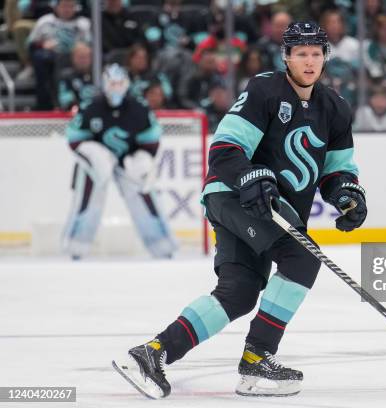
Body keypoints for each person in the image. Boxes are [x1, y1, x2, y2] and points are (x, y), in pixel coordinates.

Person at [112, 21, 367, 399]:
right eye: (301, 54)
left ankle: (154, 353)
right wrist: (253, 177)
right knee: (302, 258)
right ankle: (257, 358)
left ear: (325, 57)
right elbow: (225, 148)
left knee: (240, 293)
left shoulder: (336, 108)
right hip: (233, 196)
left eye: (316, 54)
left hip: (267, 209)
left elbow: (337, 170)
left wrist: (347, 195)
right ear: (286, 57)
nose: (309, 62)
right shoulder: (265, 89)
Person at [62, 64, 177, 259]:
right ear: (105, 84)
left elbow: (151, 138)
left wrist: (144, 157)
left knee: (144, 197)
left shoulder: (139, 108)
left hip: (128, 159)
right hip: (97, 163)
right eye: (112, 83)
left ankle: (162, 246)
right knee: (88, 200)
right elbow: (74, 138)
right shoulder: (91, 107)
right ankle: (76, 247)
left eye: (120, 83)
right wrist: (93, 154)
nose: (116, 87)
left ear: (127, 84)